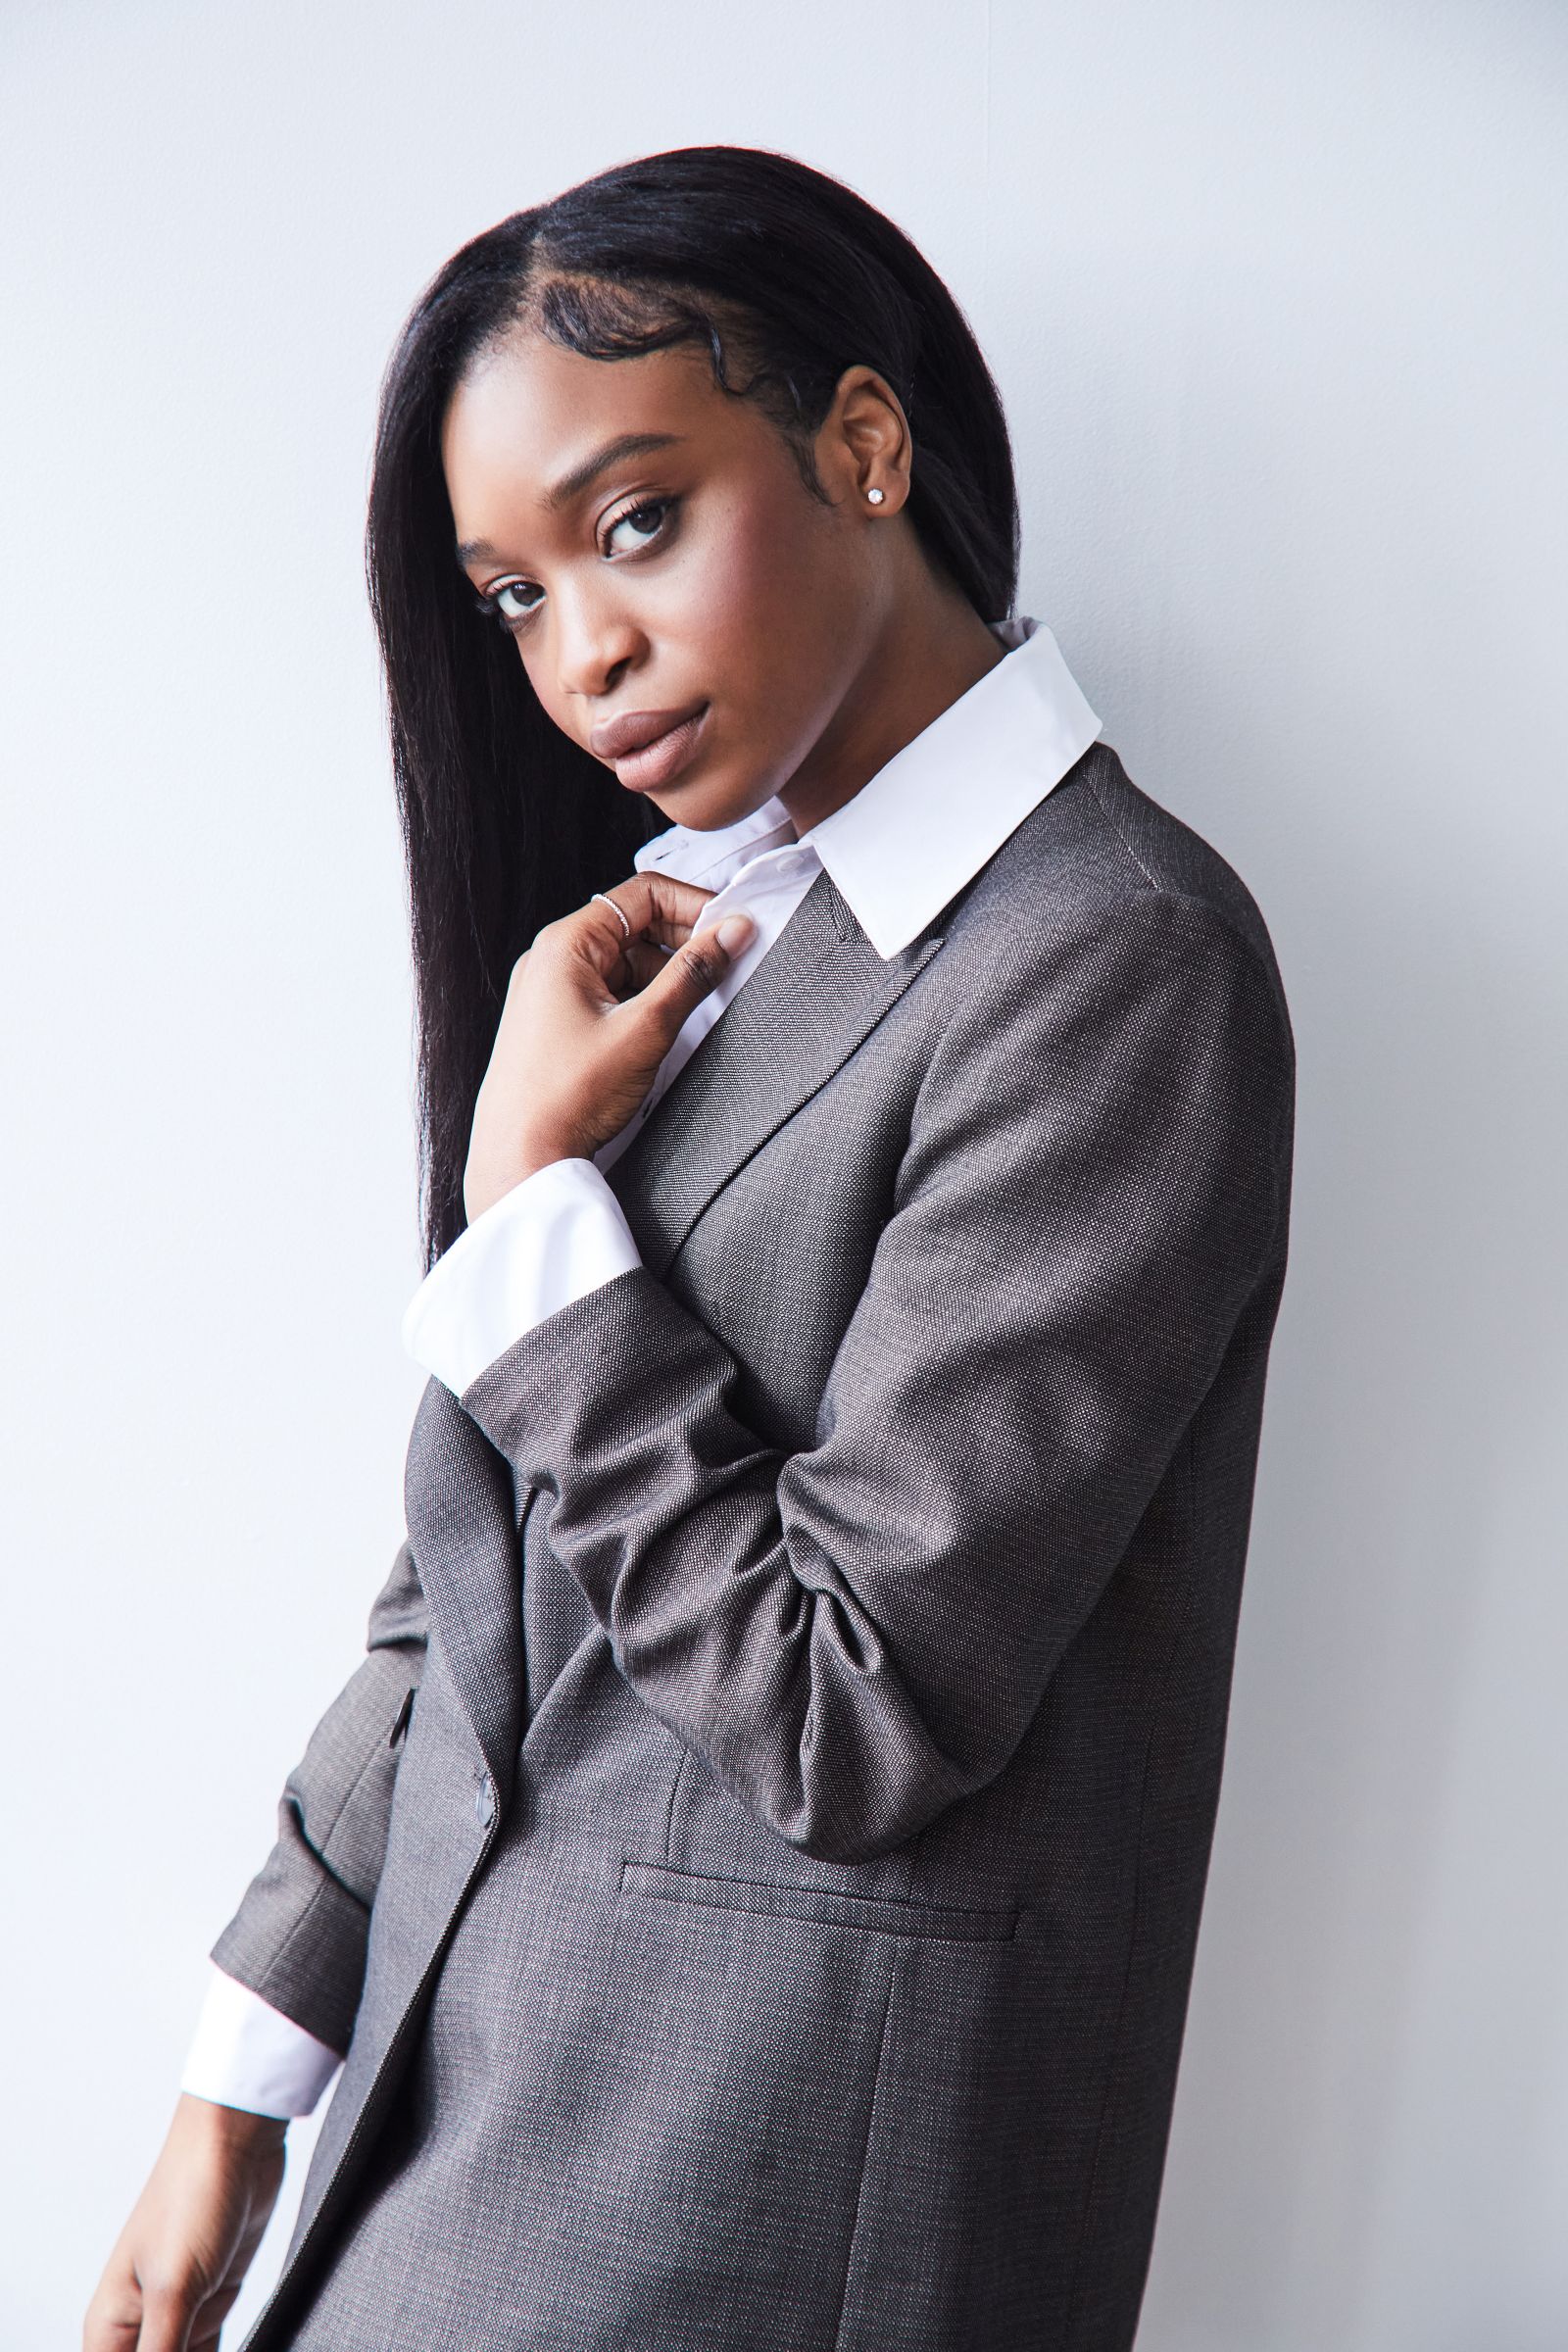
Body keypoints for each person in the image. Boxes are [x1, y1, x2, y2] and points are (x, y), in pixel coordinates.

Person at [85, 143, 1296, 2352]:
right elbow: (473, 1583)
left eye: (634, 520)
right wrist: (241, 2074)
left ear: (861, 443)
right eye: (513, 597)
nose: (583, 653)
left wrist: (538, 1215)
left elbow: (853, 1712)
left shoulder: (1112, 960)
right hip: (462, 2128)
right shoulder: (694, 944)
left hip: (747, 2213)